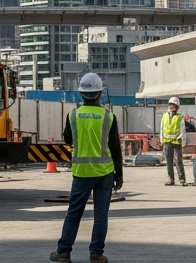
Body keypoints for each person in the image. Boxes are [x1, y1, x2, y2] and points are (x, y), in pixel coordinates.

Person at [52, 72, 123, 263]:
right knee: (101, 216)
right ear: (100, 93)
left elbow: (67, 138)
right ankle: (96, 255)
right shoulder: (109, 117)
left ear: (81, 94)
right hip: (105, 173)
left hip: (81, 173)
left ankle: (63, 252)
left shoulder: (73, 115)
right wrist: (119, 175)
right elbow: (115, 148)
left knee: (74, 213)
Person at [161, 97, 187, 186]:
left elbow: (182, 129)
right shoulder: (164, 115)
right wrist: (161, 139)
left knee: (178, 161)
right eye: (172, 105)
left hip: (176, 142)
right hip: (167, 141)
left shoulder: (180, 116)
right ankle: (171, 179)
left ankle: (182, 179)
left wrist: (181, 138)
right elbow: (161, 128)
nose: (173, 107)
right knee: (169, 161)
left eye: (175, 106)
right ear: (169, 105)